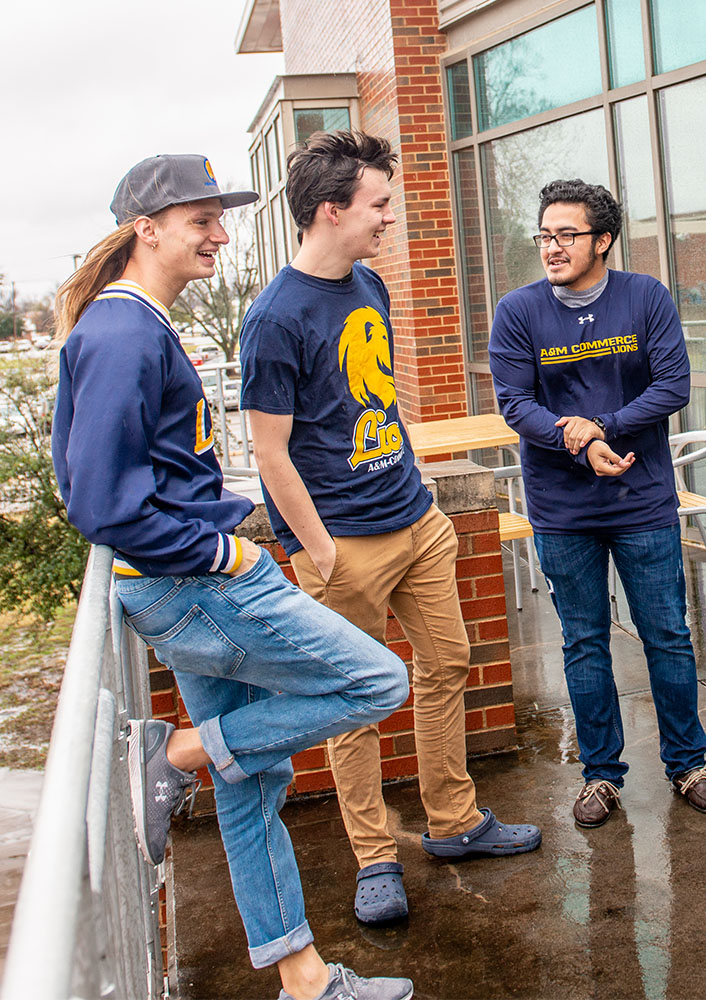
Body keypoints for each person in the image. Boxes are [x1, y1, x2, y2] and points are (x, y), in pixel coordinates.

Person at [51, 153, 415, 1000]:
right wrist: (224, 551)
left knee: (250, 781)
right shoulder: (121, 333)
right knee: (379, 678)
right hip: (198, 585)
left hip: (183, 582)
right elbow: (99, 499)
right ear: (147, 229)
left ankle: (304, 980)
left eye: (221, 217)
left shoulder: (138, 323)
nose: (220, 234)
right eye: (200, 220)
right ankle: (175, 752)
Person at [239, 130, 541, 926]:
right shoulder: (273, 318)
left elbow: (370, 402)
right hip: (345, 547)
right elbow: (269, 451)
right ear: (331, 209)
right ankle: (375, 858)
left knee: (447, 665)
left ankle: (454, 821)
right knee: (353, 703)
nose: (389, 220)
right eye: (378, 206)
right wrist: (320, 552)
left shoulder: (367, 283)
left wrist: (419, 496)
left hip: (417, 521)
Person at [488, 178, 706, 829]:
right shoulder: (519, 311)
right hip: (563, 510)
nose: (552, 246)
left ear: (603, 239)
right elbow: (516, 404)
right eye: (545, 234)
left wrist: (603, 428)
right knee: (584, 641)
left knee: (667, 635)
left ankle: (689, 763)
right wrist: (576, 438)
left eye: (567, 234)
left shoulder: (644, 297)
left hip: (642, 499)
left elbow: (673, 385)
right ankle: (601, 775)